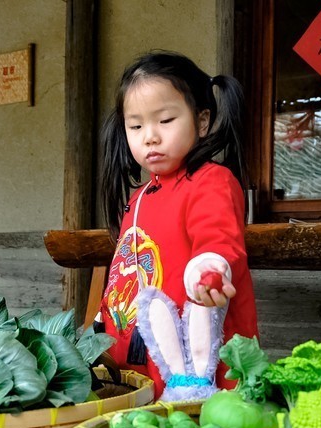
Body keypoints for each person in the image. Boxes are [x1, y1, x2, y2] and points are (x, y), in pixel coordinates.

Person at [95, 51, 258, 401]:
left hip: (198, 372)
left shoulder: (210, 181)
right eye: (136, 126)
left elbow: (218, 239)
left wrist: (209, 268)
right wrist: (102, 315)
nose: (149, 137)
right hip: (136, 370)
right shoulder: (138, 198)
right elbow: (126, 267)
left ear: (202, 121)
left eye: (165, 120)